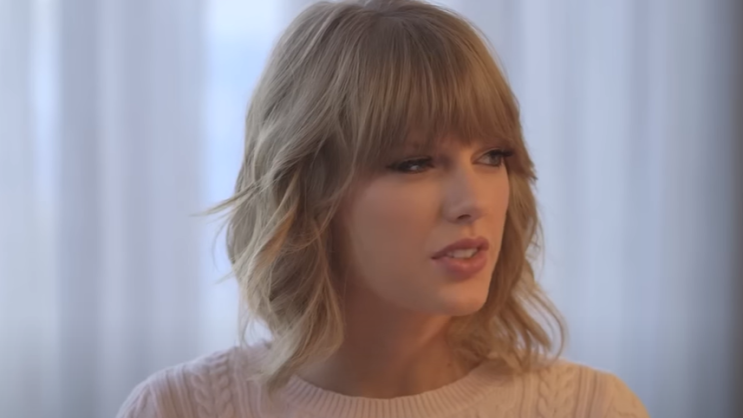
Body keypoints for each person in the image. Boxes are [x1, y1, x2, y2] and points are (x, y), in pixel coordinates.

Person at [117, 0, 650, 417]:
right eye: (416, 163)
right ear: (309, 191)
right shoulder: (177, 408)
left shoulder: (594, 408)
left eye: (492, 156)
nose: (472, 202)